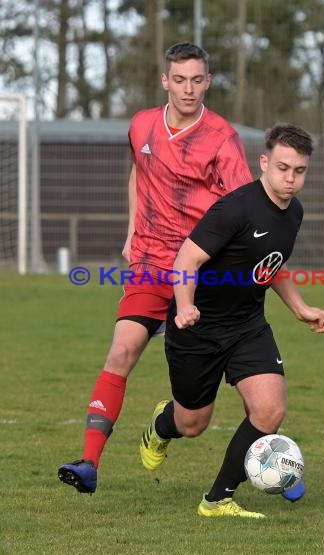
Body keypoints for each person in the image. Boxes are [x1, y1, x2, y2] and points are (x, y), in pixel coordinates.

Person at [57, 42, 253, 494]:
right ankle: (89, 463)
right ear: (165, 80)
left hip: (203, 272)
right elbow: (139, 173)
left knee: (196, 419)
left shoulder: (222, 139)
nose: (188, 89)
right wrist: (131, 232)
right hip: (150, 263)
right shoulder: (142, 124)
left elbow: (244, 209)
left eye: (197, 79)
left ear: (208, 81)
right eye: (179, 79)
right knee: (121, 351)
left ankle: (180, 429)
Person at [139, 123, 324, 518]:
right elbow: (187, 259)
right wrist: (186, 304)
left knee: (269, 410)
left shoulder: (293, 212)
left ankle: (217, 500)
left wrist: (300, 307)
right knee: (192, 423)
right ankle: (162, 425)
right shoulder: (236, 208)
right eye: (282, 168)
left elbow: (270, 264)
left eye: (299, 171)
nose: (290, 178)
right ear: (264, 163)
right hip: (197, 328)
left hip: (247, 326)